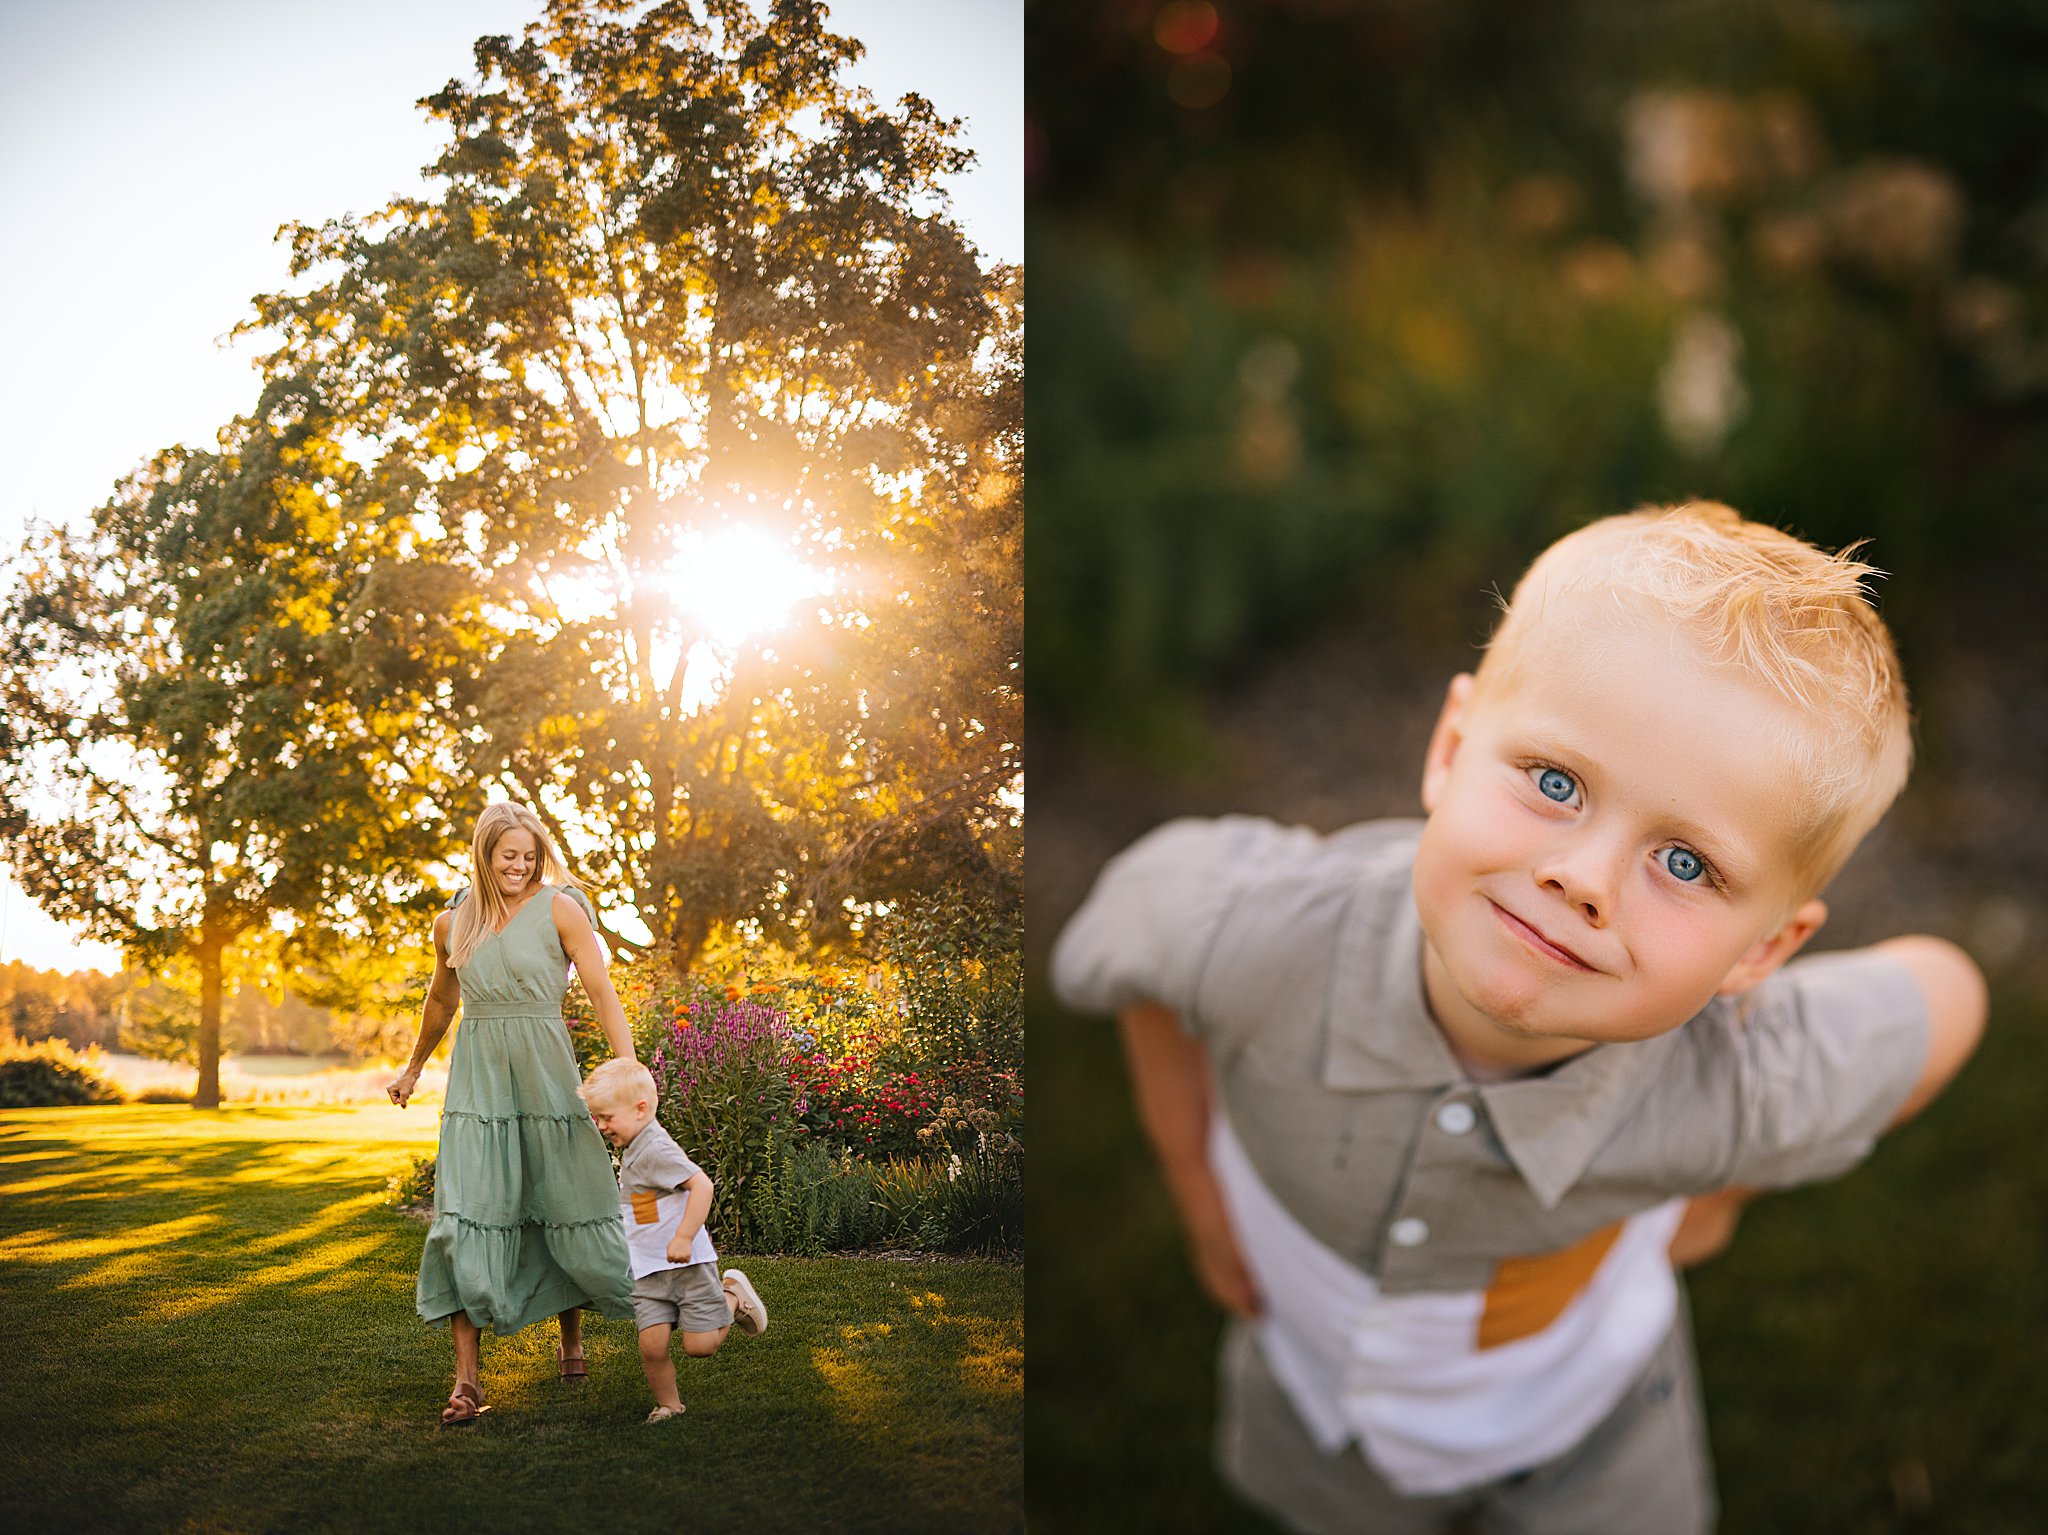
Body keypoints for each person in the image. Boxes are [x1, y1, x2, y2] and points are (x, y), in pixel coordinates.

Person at [1049, 502, 1986, 1534]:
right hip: (1316, 1416)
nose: (1581, 878)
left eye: (1684, 862)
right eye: (1554, 781)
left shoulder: (1731, 1084)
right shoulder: (1256, 933)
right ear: (1449, 749)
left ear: (1759, 950)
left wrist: (1725, 1185)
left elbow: (1946, 995)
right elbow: (1137, 937)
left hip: (1589, 1445)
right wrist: (1191, 1172)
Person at [386, 801, 637, 1427]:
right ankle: (466, 1382)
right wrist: (413, 1067)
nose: (520, 867)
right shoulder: (453, 924)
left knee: (563, 1200)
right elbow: (440, 1002)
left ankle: (572, 1346)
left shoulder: (560, 908)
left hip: (547, 1077)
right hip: (478, 1086)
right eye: (508, 857)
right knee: (468, 1211)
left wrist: (629, 1067)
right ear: (483, 855)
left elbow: (602, 989)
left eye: (529, 857)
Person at [577, 1057, 768, 1424]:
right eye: (597, 1117)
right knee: (652, 1346)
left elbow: (702, 1186)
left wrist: (683, 1237)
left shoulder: (655, 1149)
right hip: (650, 1271)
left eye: (606, 1117)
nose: (600, 1126)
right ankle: (669, 1405)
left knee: (701, 1347)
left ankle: (733, 1297)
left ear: (641, 1109)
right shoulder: (635, 1145)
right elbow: (646, 1205)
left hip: (687, 1266)